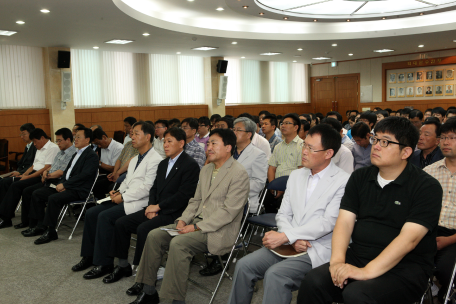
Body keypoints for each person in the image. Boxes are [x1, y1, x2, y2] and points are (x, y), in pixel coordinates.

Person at [297, 116, 442, 304]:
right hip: (359, 255)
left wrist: (366, 272)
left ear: (406, 152)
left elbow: (409, 240)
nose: (376, 146)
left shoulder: (426, 186)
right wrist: (337, 261)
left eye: (385, 142)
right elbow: (344, 222)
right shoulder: (360, 177)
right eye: (375, 139)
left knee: (357, 293)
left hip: (405, 266)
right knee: (313, 280)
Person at [228, 124, 350, 304]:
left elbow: (328, 223)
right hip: (290, 242)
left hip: (316, 248)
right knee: (244, 265)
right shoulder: (296, 175)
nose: (304, 152)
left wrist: (287, 236)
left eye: (310, 148)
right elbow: (283, 214)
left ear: (328, 153)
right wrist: (291, 238)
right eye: (304, 145)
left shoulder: (343, 181)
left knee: (276, 275)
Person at [129, 128, 250, 304]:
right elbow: (195, 201)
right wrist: (183, 220)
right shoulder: (207, 170)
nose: (208, 147)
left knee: (178, 244)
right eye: (208, 143)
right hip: (195, 222)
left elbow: (228, 212)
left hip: (218, 229)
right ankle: (148, 292)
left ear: (228, 147)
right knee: (154, 235)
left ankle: (174, 299)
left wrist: (195, 226)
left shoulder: (238, 173)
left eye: (214, 143)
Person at [99, 128, 200, 289]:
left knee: (144, 229)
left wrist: (158, 207)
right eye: (164, 141)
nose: (165, 145)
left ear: (181, 143)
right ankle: (123, 265)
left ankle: (142, 274)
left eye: (169, 141)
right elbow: (154, 188)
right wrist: (152, 206)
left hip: (174, 213)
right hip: (156, 208)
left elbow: (183, 195)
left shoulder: (190, 165)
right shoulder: (164, 163)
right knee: (121, 223)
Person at [73, 121, 163, 279]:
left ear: (148, 137)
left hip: (140, 202)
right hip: (126, 197)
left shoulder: (156, 159)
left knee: (105, 217)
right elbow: (127, 181)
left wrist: (123, 197)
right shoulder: (136, 158)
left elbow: (147, 188)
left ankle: (105, 263)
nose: (131, 137)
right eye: (132, 133)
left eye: (136, 134)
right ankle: (89, 257)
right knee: (92, 213)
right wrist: (117, 192)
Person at [29, 128, 99, 244]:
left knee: (53, 198)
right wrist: (61, 183)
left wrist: (65, 184)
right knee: (38, 193)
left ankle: (51, 232)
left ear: (87, 140)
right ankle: (40, 226)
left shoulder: (91, 155)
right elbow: (67, 171)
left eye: (78, 137)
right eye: (75, 137)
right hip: (68, 185)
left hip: (79, 189)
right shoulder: (77, 153)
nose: (75, 139)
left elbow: (84, 176)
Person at [12, 128, 76, 231]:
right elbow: (52, 166)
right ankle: (31, 224)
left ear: (68, 140)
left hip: (59, 182)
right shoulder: (61, 152)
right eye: (57, 141)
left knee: (37, 193)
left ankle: (40, 226)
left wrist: (47, 175)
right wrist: (46, 172)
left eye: (59, 140)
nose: (58, 143)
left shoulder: (73, 153)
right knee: (27, 191)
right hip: (50, 179)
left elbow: (61, 172)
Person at [423, 117, 456, 303]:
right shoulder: (429, 172)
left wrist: (449, 240)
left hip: (454, 236)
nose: (445, 142)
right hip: (428, 231)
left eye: (452, 137)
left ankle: (445, 294)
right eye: (443, 137)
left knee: (445, 268)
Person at [0, 128, 60, 229]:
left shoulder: (52, 148)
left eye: (35, 142)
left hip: (40, 176)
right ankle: (6, 214)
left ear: (42, 138)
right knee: (5, 182)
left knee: (16, 185)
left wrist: (28, 177)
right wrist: (24, 174)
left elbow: (46, 167)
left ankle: (6, 218)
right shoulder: (39, 148)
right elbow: (33, 165)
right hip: (33, 173)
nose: (34, 144)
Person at [265, 113, 304, 213]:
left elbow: (301, 171)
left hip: (293, 187)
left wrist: (284, 187)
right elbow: (271, 168)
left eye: (287, 123)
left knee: (282, 205)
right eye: (282, 123)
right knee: (265, 200)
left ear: (296, 127)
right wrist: (273, 185)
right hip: (276, 186)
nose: (283, 125)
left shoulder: (302, 146)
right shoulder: (278, 146)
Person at [0, 123, 37, 221]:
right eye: (21, 134)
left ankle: (5, 213)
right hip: (22, 172)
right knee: (1, 180)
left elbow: (34, 165)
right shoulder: (28, 146)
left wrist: (20, 173)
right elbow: (23, 163)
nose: (21, 137)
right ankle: (3, 210)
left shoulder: (36, 146)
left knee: (7, 182)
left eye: (23, 134)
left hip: (30, 175)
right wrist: (18, 171)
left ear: (31, 133)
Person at [233, 117, 268, 214]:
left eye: (238, 130)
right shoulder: (228, 152)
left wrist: (235, 189)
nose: (234, 132)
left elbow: (259, 182)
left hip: (244, 201)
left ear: (249, 134)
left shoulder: (258, 154)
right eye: (234, 129)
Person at [91, 128, 124, 199]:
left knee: (96, 185)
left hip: (115, 175)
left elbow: (114, 168)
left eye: (98, 143)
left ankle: (100, 203)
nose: (99, 146)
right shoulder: (101, 148)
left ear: (104, 137)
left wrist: (98, 162)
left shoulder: (118, 147)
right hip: (105, 173)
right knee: (89, 181)